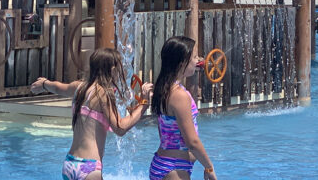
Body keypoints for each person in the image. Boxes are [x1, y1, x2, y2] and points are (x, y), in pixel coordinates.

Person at [31, 48, 152, 180]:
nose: (122, 72)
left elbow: (57, 87)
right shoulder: (103, 93)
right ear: (112, 70)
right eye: (120, 69)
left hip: (70, 163)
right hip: (89, 167)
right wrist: (144, 104)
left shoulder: (79, 87)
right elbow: (120, 128)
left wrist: (44, 83)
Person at [149, 36, 217, 180]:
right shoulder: (179, 95)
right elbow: (192, 141)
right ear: (181, 63)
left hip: (163, 163)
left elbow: (165, 133)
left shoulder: (163, 89)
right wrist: (209, 167)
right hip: (174, 168)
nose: (197, 60)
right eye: (193, 57)